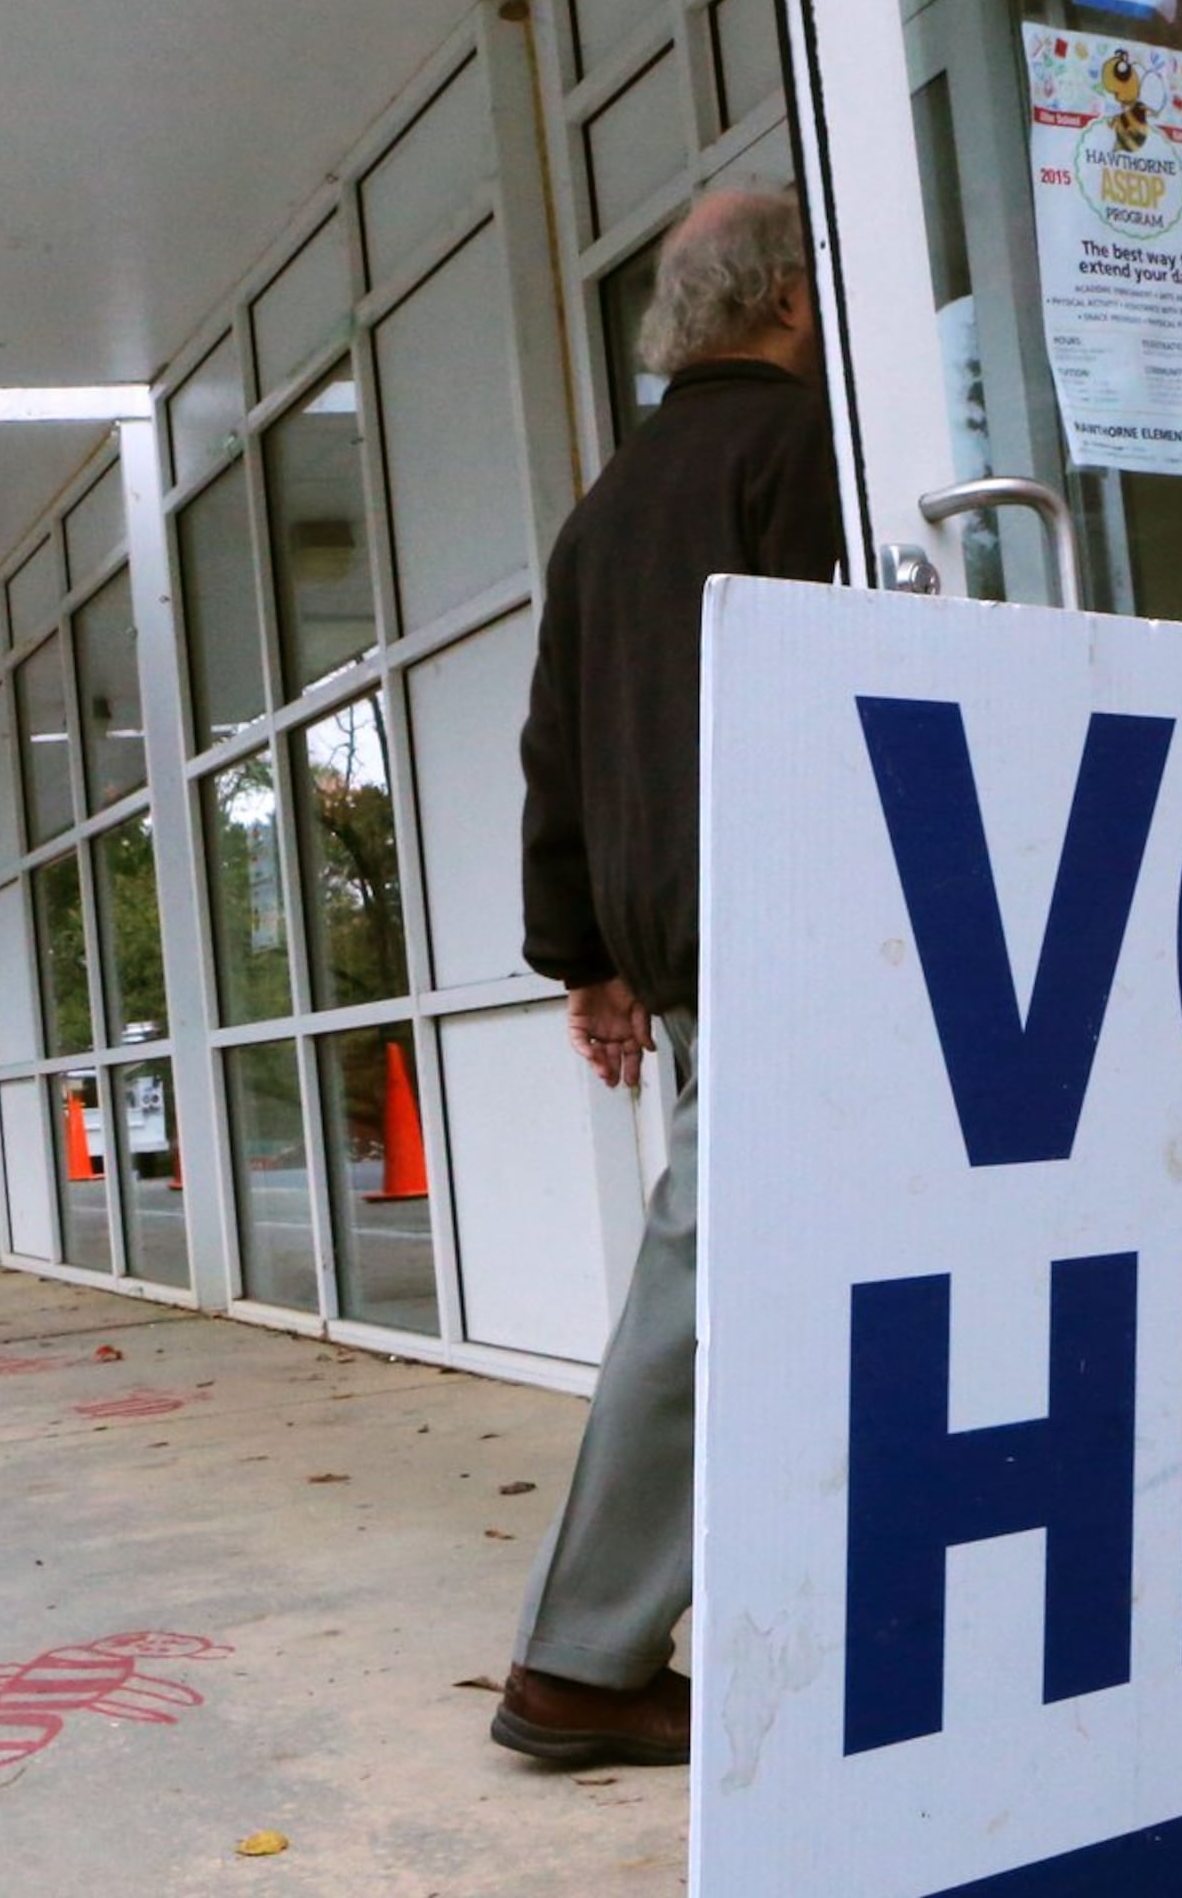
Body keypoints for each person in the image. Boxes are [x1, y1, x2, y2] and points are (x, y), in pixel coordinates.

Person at [492, 183, 843, 1766]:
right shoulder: (796, 456)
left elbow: (555, 753)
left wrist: (589, 960)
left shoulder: (609, 505)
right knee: (707, 1294)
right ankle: (580, 1660)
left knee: (773, 1285)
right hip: (802, 943)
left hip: (694, 954)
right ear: (782, 304)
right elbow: (842, 701)